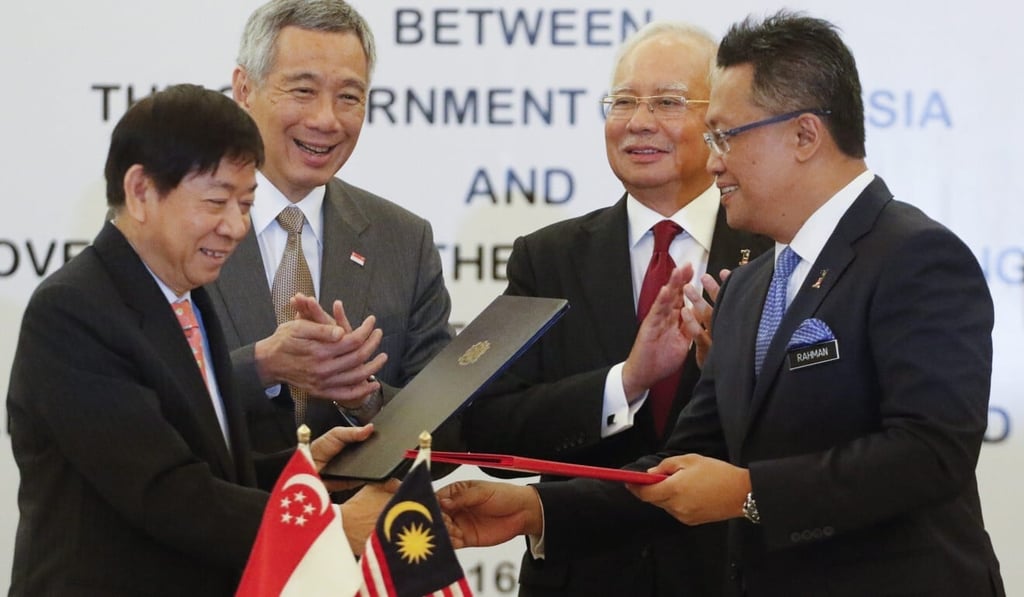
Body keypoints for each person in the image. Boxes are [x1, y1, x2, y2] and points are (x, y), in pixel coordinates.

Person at [440, 11, 1006, 596]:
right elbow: (689, 459)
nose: (713, 162)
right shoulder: (752, 284)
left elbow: (931, 454)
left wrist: (747, 492)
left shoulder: (916, 257)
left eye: (725, 136)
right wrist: (537, 509)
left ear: (805, 135)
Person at [7, 84, 392, 596]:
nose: (235, 227)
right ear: (141, 191)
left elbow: (205, 461)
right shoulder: (74, 311)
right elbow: (163, 492)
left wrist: (301, 474)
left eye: (246, 204)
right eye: (216, 202)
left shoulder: (186, 296)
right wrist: (328, 527)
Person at [459, 21, 769, 596]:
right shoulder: (547, 258)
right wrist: (624, 384)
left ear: (720, 125)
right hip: (585, 576)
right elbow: (488, 430)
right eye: (623, 101)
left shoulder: (775, 250)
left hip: (733, 574)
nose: (638, 122)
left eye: (668, 102)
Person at [207, 0, 454, 455]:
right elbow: (134, 402)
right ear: (244, 88)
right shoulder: (181, 225)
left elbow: (443, 436)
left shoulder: (404, 241)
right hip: (210, 520)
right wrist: (261, 367)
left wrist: (366, 398)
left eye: (349, 97)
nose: (326, 119)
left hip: (355, 521)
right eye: (303, 91)